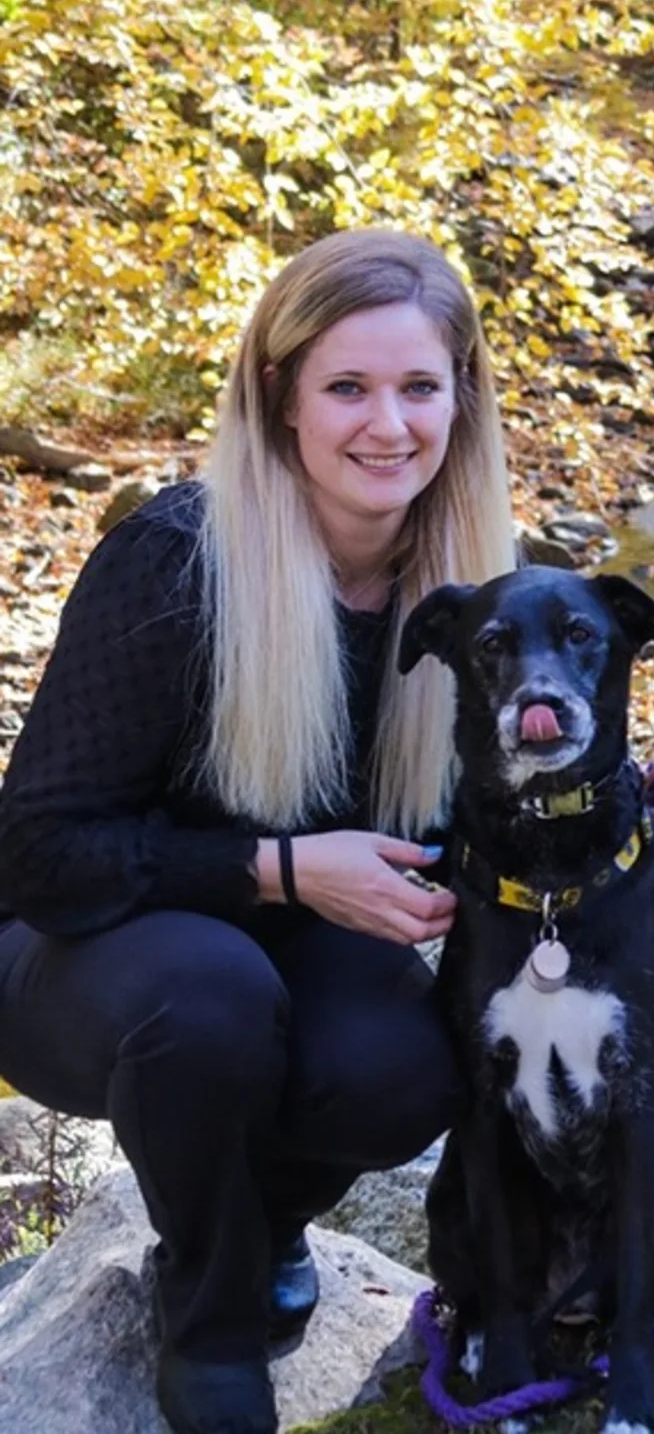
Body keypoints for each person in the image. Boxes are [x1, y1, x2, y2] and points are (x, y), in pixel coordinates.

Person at [0, 228, 516, 1434]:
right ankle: (213, 1325)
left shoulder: (478, 587)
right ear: (280, 395)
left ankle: (253, 1219)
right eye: (348, 387)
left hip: (286, 948)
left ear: (461, 397)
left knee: (411, 1057)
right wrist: (279, 868)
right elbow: (34, 852)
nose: (388, 424)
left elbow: (473, 829)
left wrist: (617, 823)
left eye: (419, 386)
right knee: (211, 993)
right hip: (78, 953)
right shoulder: (176, 562)